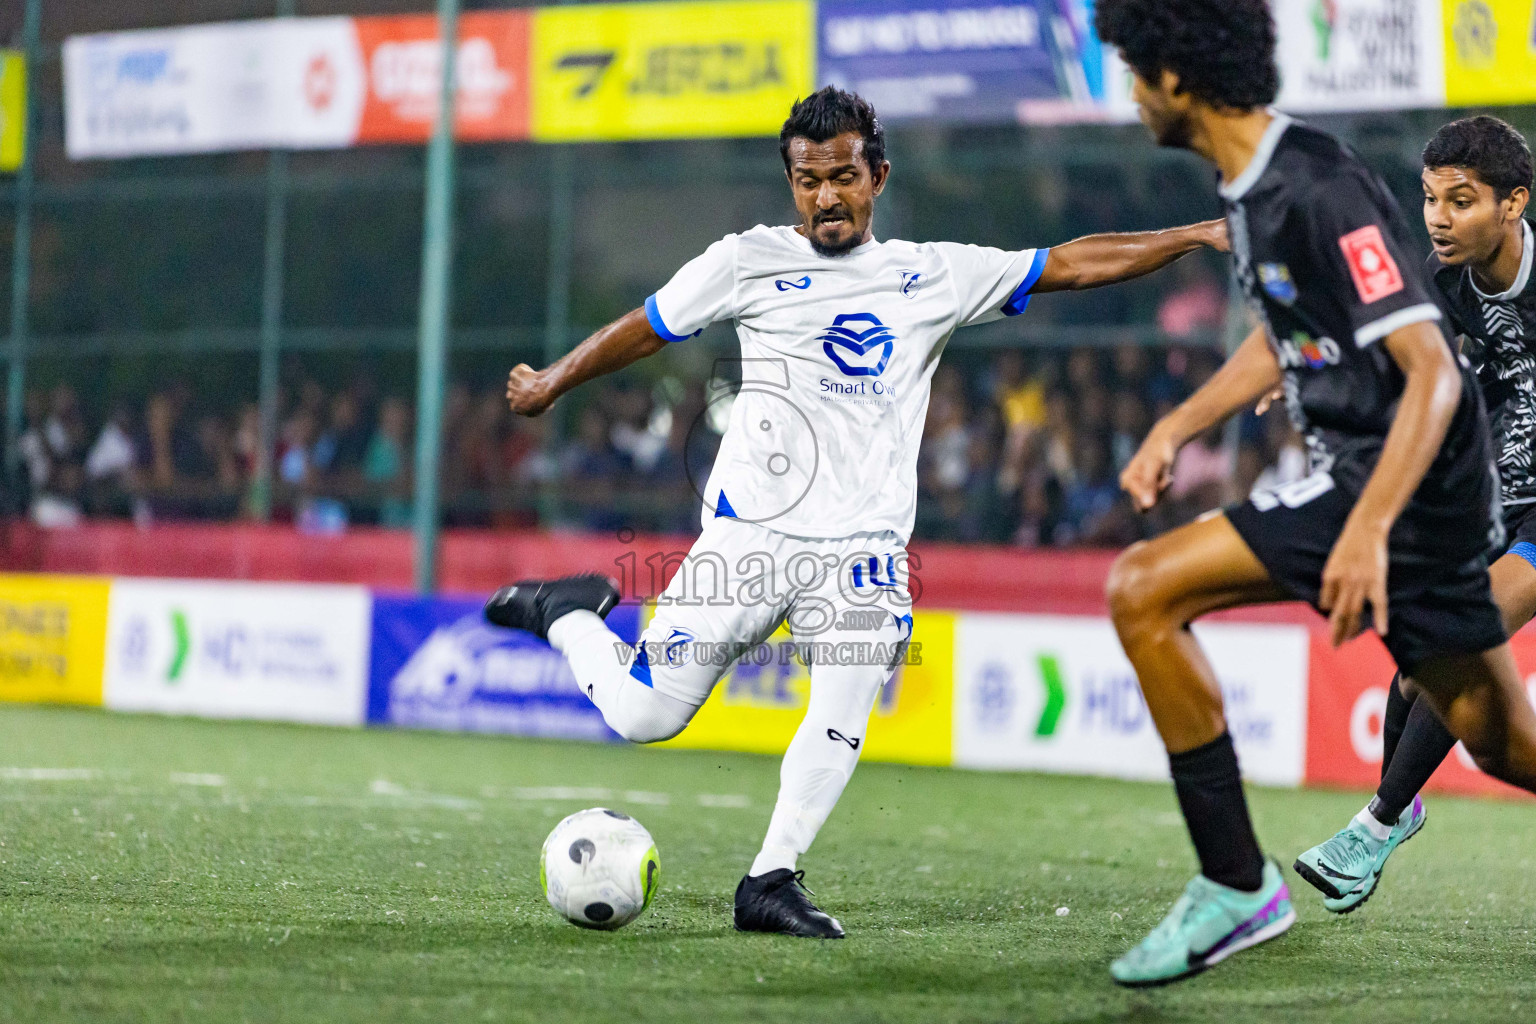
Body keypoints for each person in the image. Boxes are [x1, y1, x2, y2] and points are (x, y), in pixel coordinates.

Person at [486, 86, 1227, 938]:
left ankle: (770, 878)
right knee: (643, 716)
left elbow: (1068, 263)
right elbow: (649, 326)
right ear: (791, 185)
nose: (826, 197)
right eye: (808, 181)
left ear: (877, 175)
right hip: (749, 539)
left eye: (843, 176)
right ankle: (572, 615)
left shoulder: (932, 275)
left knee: (843, 699)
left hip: (863, 551)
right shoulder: (745, 260)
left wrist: (1195, 236)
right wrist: (552, 381)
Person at [1096, 0, 1536, 987]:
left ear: (1176, 77)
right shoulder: (1252, 186)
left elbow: (1427, 374)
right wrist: (1179, 424)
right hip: (1395, 486)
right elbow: (1286, 335)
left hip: (1404, 495)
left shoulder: (1313, 183)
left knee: (1143, 586)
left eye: (1134, 71)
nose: (1129, 94)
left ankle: (1243, 882)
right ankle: (1266, 872)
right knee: (1505, 746)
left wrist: (1369, 529)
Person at [1294, 117, 1536, 912]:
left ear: (1514, 204)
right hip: (1495, 501)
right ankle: (1396, 815)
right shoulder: (1439, 288)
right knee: (1414, 671)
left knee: (1470, 630)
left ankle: (1376, 821)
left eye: (1461, 201)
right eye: (1431, 198)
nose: (1438, 217)